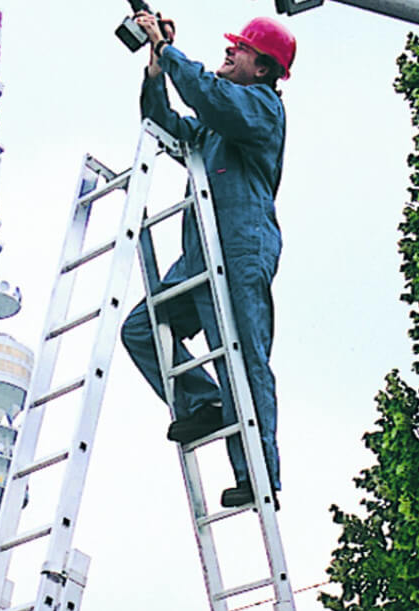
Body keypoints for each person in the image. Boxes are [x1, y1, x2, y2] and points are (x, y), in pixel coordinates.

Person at [119, 13, 295, 509]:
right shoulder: (216, 128)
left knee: (242, 352)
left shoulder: (260, 109)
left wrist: (171, 52)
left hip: (241, 247)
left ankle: (258, 474)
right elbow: (164, 124)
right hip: (202, 253)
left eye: (240, 48)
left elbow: (210, 99)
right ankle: (205, 401)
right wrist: (156, 69)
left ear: (263, 69)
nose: (230, 51)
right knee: (142, 329)